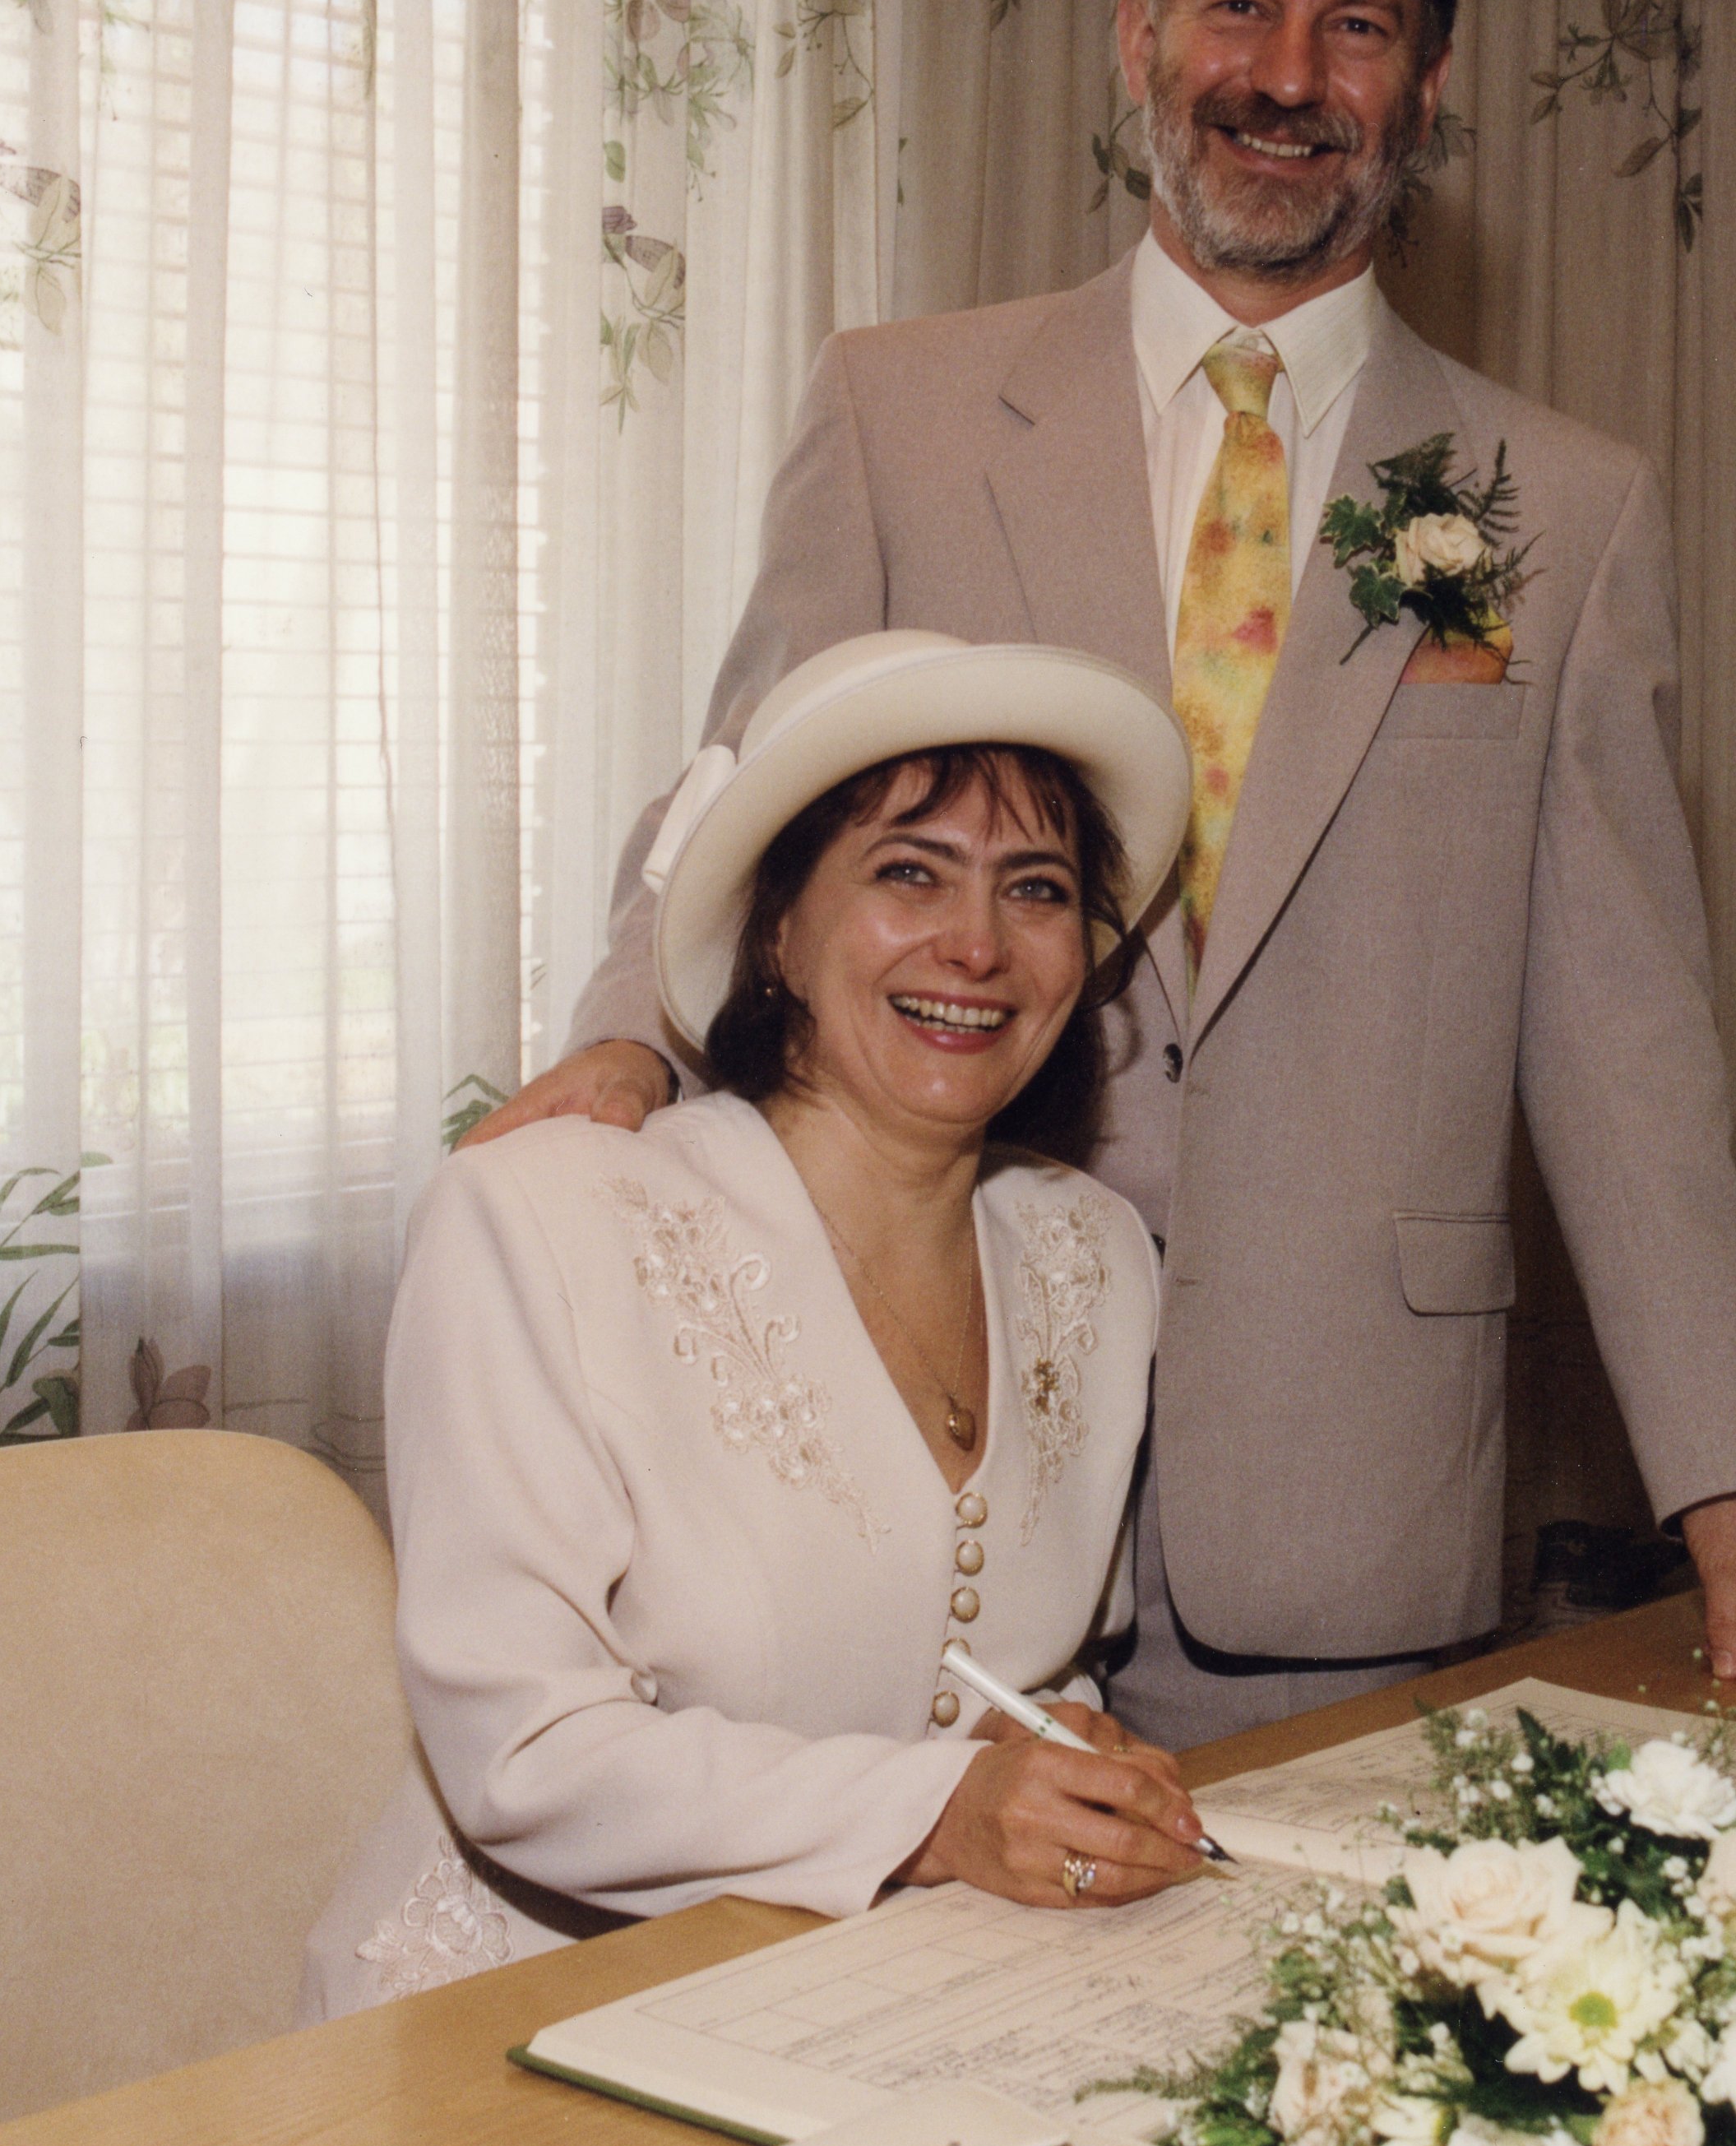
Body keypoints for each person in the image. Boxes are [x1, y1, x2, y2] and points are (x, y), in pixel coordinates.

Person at [471, 0, 1736, 1750]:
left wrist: (1727, 1466)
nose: (1287, 76)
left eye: (1354, 26)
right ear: (1136, 31)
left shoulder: (1564, 508)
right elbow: (733, 796)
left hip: (1345, 1515)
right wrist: (626, 1043)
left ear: (1426, 82)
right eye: (1238, 5)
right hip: (920, 1460)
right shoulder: (898, 414)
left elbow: (1623, 1034)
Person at [299, 631, 1207, 2018]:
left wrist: (1064, 1742)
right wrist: (943, 1810)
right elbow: (527, 1750)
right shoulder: (537, 1219)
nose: (977, 943)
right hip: (525, 2025)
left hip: (901, 2004)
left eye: (1036, 889)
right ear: (779, 929)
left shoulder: (1096, 1251)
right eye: (910, 871)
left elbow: (1021, 1650)